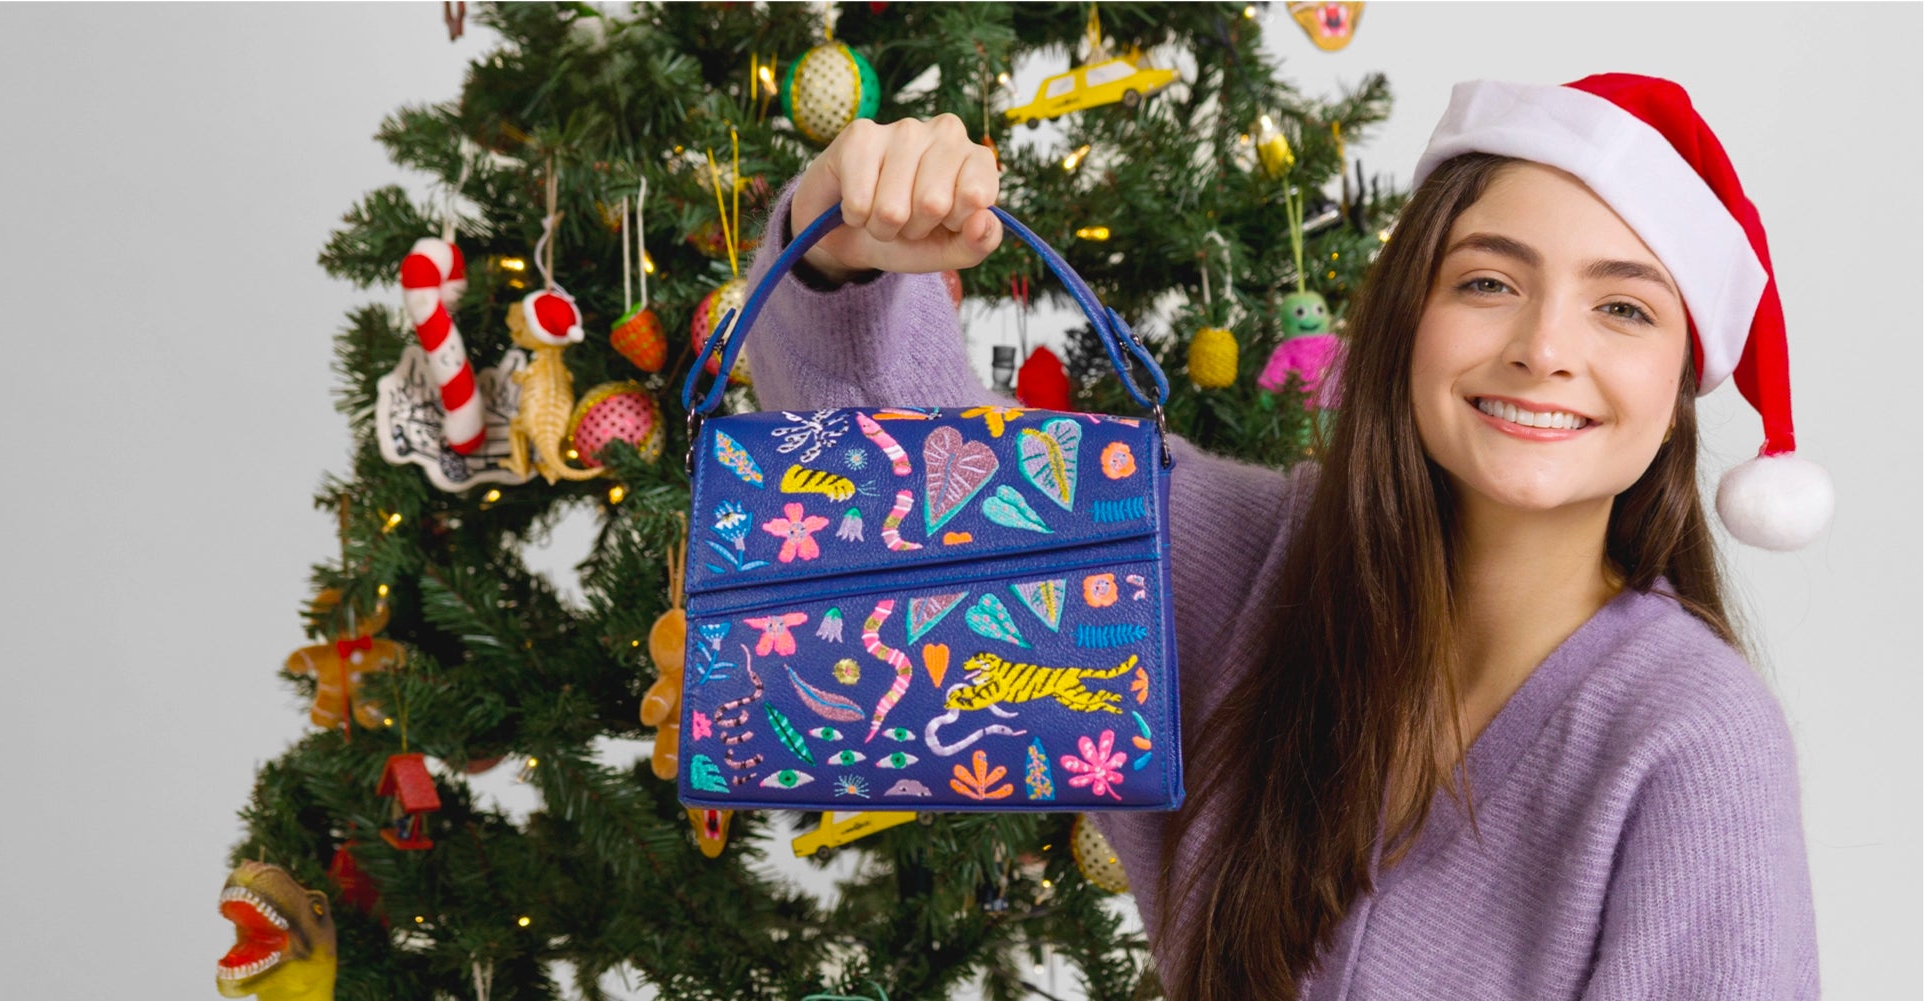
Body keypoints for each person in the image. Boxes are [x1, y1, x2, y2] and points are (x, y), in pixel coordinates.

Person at [736, 75, 1827, 1000]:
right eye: (1488, 282)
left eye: (1622, 308)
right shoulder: (1247, 561)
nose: (1544, 346)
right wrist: (849, 254)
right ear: (1407, 314)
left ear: (1677, 385)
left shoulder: (1690, 741)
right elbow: (905, 500)